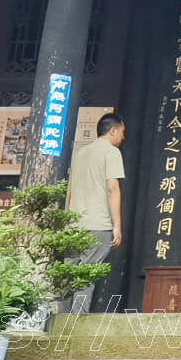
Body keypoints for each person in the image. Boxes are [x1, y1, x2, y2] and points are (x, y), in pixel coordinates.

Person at [64, 112, 126, 313]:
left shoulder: (80, 153)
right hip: (97, 225)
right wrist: (117, 225)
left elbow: (70, 190)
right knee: (86, 277)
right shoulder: (111, 152)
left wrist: (67, 219)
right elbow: (112, 188)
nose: (123, 137)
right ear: (113, 130)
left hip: (73, 225)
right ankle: (75, 326)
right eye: (122, 132)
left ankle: (59, 321)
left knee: (68, 276)